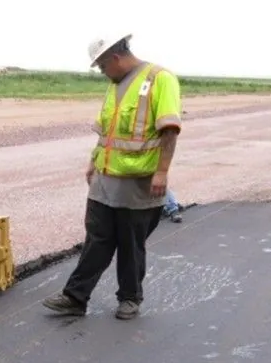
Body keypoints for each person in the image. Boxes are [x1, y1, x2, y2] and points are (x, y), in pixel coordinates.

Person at [42, 32, 182, 320]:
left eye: (103, 66)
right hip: (104, 180)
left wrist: (162, 172)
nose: (103, 72)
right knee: (97, 240)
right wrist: (92, 162)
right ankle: (75, 297)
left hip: (138, 183)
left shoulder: (160, 79)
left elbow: (169, 130)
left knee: (131, 245)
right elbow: (107, 132)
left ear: (115, 58)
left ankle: (130, 299)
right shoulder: (115, 85)